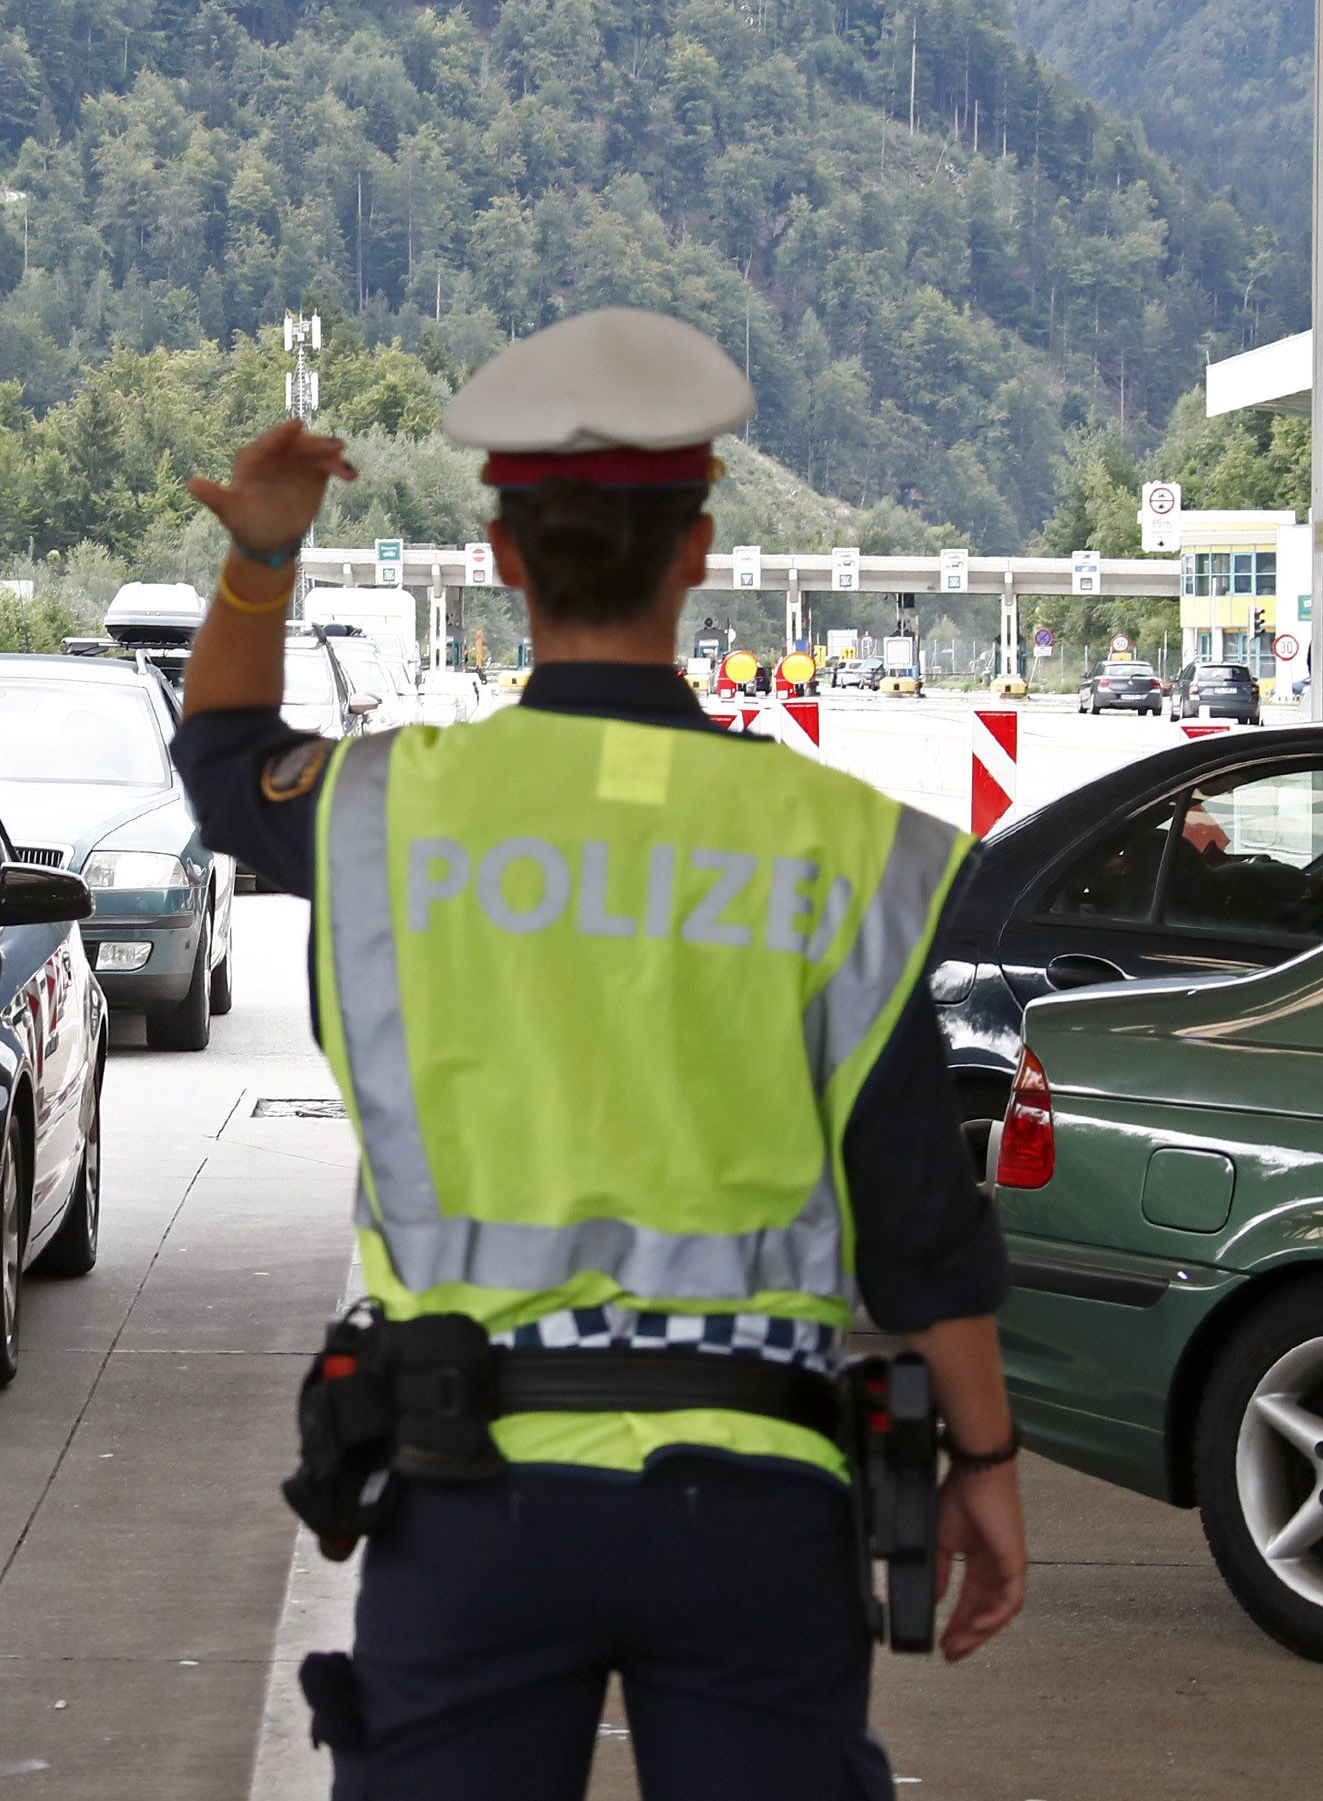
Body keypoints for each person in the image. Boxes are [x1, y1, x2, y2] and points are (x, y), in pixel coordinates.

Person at [172, 307, 1026, 1799]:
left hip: (472, 1494)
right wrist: (989, 1462)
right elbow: (916, 1214)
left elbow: (222, 752)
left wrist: (262, 554)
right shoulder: (836, 842)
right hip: (759, 1507)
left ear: (503, 558)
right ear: (698, 551)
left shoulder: (384, 808)